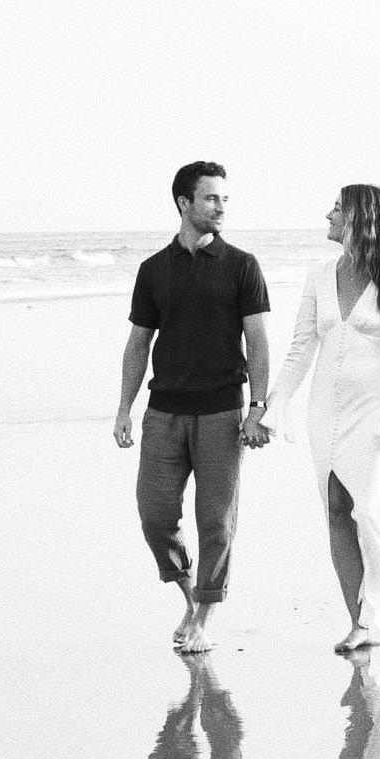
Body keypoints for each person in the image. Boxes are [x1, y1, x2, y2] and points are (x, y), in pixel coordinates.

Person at [256, 181, 380, 652]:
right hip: (324, 412)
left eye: (337, 208)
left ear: (360, 218)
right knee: (336, 509)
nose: (329, 215)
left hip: (372, 412)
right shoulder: (319, 275)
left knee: (373, 510)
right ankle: (360, 622)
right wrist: (276, 405)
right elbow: (301, 347)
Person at [115, 161, 272, 653]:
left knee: (216, 523)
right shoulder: (153, 270)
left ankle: (204, 617)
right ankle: (190, 595)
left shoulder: (242, 265)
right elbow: (138, 343)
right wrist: (124, 407)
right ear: (184, 203)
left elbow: (258, 341)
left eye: (224, 199)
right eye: (210, 198)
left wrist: (257, 407)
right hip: (163, 413)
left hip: (222, 413)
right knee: (155, 515)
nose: (221, 207)